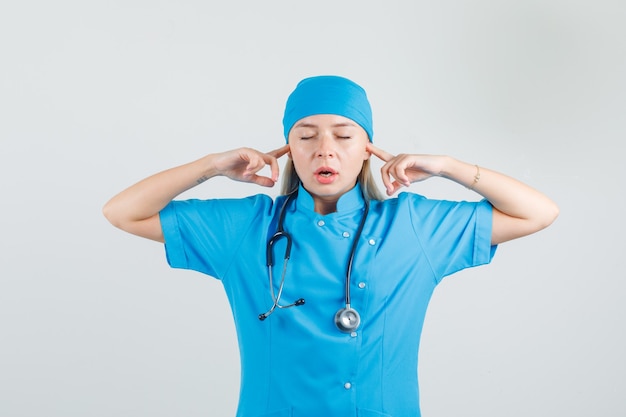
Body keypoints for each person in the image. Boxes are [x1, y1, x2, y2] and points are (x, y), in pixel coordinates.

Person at [103, 75, 559, 417]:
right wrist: (210, 165)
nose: (325, 150)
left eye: (344, 136)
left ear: (367, 149)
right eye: (306, 136)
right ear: (288, 150)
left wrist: (448, 166)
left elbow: (537, 212)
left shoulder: (413, 225)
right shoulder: (247, 227)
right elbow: (123, 211)